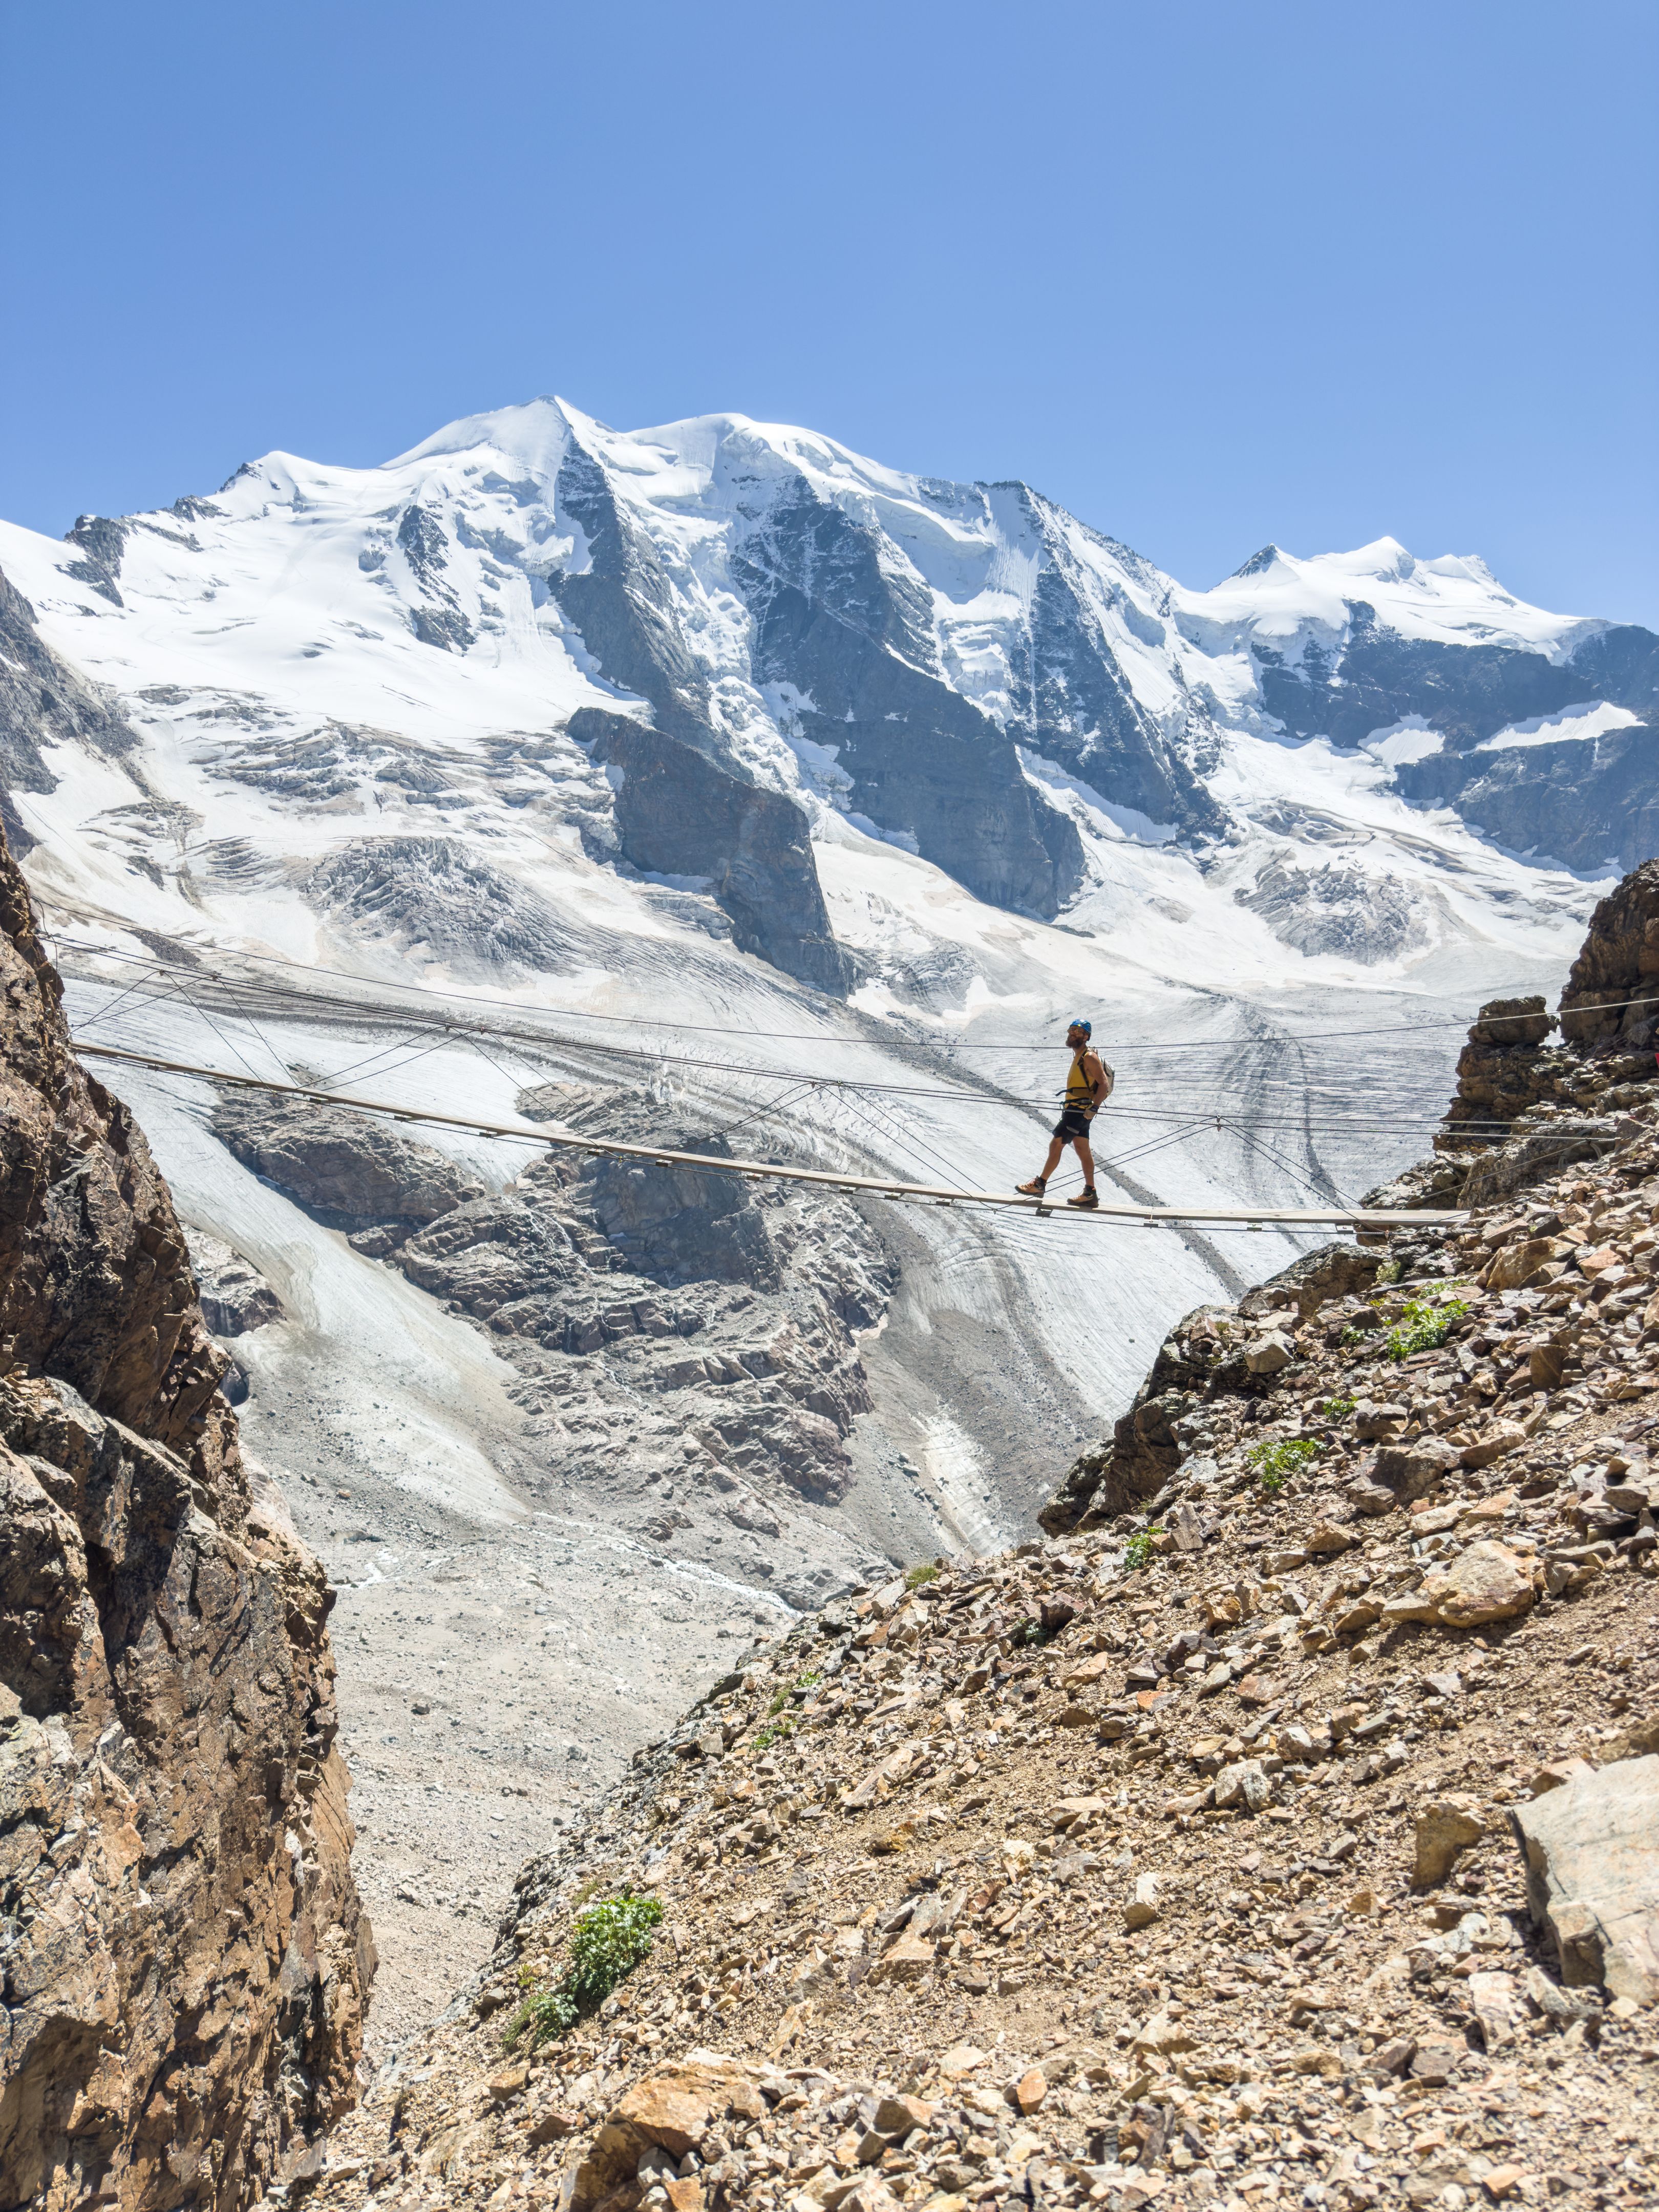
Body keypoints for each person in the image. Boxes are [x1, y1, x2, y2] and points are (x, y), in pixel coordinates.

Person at [1017, 1018, 1111, 1209]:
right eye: (1071, 1031)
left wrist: (1094, 1108)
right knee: (1082, 1150)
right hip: (1078, 1109)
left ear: (1086, 1037)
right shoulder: (1080, 1056)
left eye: (1077, 1032)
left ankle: (1040, 1184)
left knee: (1057, 1142)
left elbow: (1104, 1084)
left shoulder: (1089, 1056)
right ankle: (1090, 1194)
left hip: (1078, 1109)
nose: (1072, 1034)